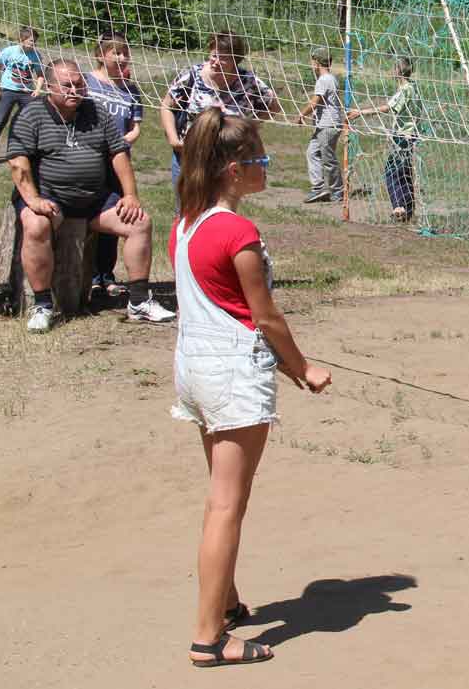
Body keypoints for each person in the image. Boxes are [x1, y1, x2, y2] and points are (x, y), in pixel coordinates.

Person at [170, 107, 332, 668]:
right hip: (231, 375)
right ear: (234, 169)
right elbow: (266, 317)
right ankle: (208, 638)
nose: (266, 166)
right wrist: (305, 368)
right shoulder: (237, 230)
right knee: (226, 505)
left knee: (220, 495)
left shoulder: (186, 220)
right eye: (259, 159)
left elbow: (233, 310)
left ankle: (227, 601)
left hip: (195, 369)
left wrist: (290, 368)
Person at [6, 59, 175, 332]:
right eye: (67, 85)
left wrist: (130, 195)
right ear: (49, 86)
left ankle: (139, 301)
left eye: (79, 84)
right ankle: (43, 305)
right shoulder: (31, 113)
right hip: (52, 199)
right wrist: (34, 200)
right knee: (35, 226)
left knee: (140, 223)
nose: (75, 90)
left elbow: (118, 154)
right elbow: (17, 162)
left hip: (95, 200)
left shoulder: (97, 111)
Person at [160, 31, 282, 198]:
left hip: (226, 161)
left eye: (223, 58)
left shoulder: (248, 80)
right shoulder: (193, 75)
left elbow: (274, 107)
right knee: (187, 210)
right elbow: (166, 105)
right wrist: (174, 140)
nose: (216, 62)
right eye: (214, 55)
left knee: (219, 209)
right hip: (191, 155)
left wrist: (247, 124)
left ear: (235, 60)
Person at [85, 32, 145, 298]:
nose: (121, 57)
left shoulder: (131, 89)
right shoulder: (86, 83)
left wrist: (119, 143)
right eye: (115, 52)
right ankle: (86, 276)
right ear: (101, 55)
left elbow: (135, 129)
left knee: (116, 217)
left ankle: (105, 277)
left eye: (124, 52)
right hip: (88, 160)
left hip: (118, 162)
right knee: (84, 217)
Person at [346, 57, 423, 221]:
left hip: (403, 136)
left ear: (397, 71)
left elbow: (387, 107)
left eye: (393, 68)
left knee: (391, 173)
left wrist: (360, 112)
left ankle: (398, 207)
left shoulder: (405, 90)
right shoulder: (415, 88)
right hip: (411, 135)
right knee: (404, 172)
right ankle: (408, 208)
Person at [0, 25, 43, 164]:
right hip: (8, 90)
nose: (33, 43)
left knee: (30, 121)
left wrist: (37, 90)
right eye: (31, 40)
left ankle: (30, 151)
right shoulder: (9, 51)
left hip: (26, 92)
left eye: (35, 41)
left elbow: (40, 75)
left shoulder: (36, 55)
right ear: (22, 39)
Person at [297, 47, 344, 203]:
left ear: (316, 63)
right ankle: (318, 189)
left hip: (328, 125)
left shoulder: (324, 80)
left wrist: (301, 115)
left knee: (328, 159)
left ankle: (337, 192)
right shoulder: (330, 78)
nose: (311, 64)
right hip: (325, 125)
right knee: (312, 152)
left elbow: (315, 102)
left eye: (312, 61)